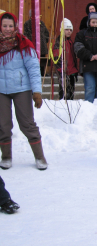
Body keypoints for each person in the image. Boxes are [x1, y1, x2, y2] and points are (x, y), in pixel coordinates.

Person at [0, 12, 47, 170]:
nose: (7, 29)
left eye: (10, 26)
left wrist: (37, 92)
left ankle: (40, 157)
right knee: (3, 125)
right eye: (4, 26)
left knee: (27, 124)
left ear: (15, 26)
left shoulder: (24, 44)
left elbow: (33, 69)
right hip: (1, 91)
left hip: (22, 89)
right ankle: (6, 156)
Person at [74, 12, 97, 103]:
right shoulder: (82, 34)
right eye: (93, 22)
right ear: (89, 22)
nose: (95, 24)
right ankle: (88, 110)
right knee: (90, 89)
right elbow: (78, 47)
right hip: (88, 66)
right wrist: (90, 56)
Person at [53, 18, 79, 100]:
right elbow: (56, 57)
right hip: (63, 71)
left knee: (71, 91)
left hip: (71, 71)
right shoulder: (59, 43)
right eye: (67, 29)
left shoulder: (71, 42)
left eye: (70, 30)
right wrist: (60, 69)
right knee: (63, 92)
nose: (69, 31)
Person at [23, 10, 50, 76]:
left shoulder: (41, 23)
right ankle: (33, 73)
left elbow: (46, 33)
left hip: (42, 47)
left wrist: (44, 40)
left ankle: (42, 73)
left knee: (42, 60)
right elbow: (26, 34)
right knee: (32, 60)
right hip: (32, 46)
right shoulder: (27, 24)